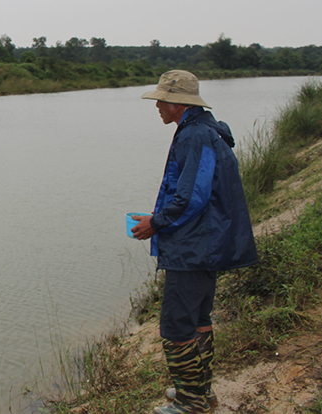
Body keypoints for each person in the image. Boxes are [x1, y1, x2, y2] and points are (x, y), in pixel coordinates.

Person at [131, 70, 258, 414]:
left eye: (161, 100)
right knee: (199, 317)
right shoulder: (203, 130)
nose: (157, 105)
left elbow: (192, 198)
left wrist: (154, 223)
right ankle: (201, 392)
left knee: (175, 324)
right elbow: (196, 195)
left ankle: (191, 402)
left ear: (177, 103)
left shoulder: (195, 136)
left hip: (195, 247)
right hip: (205, 242)